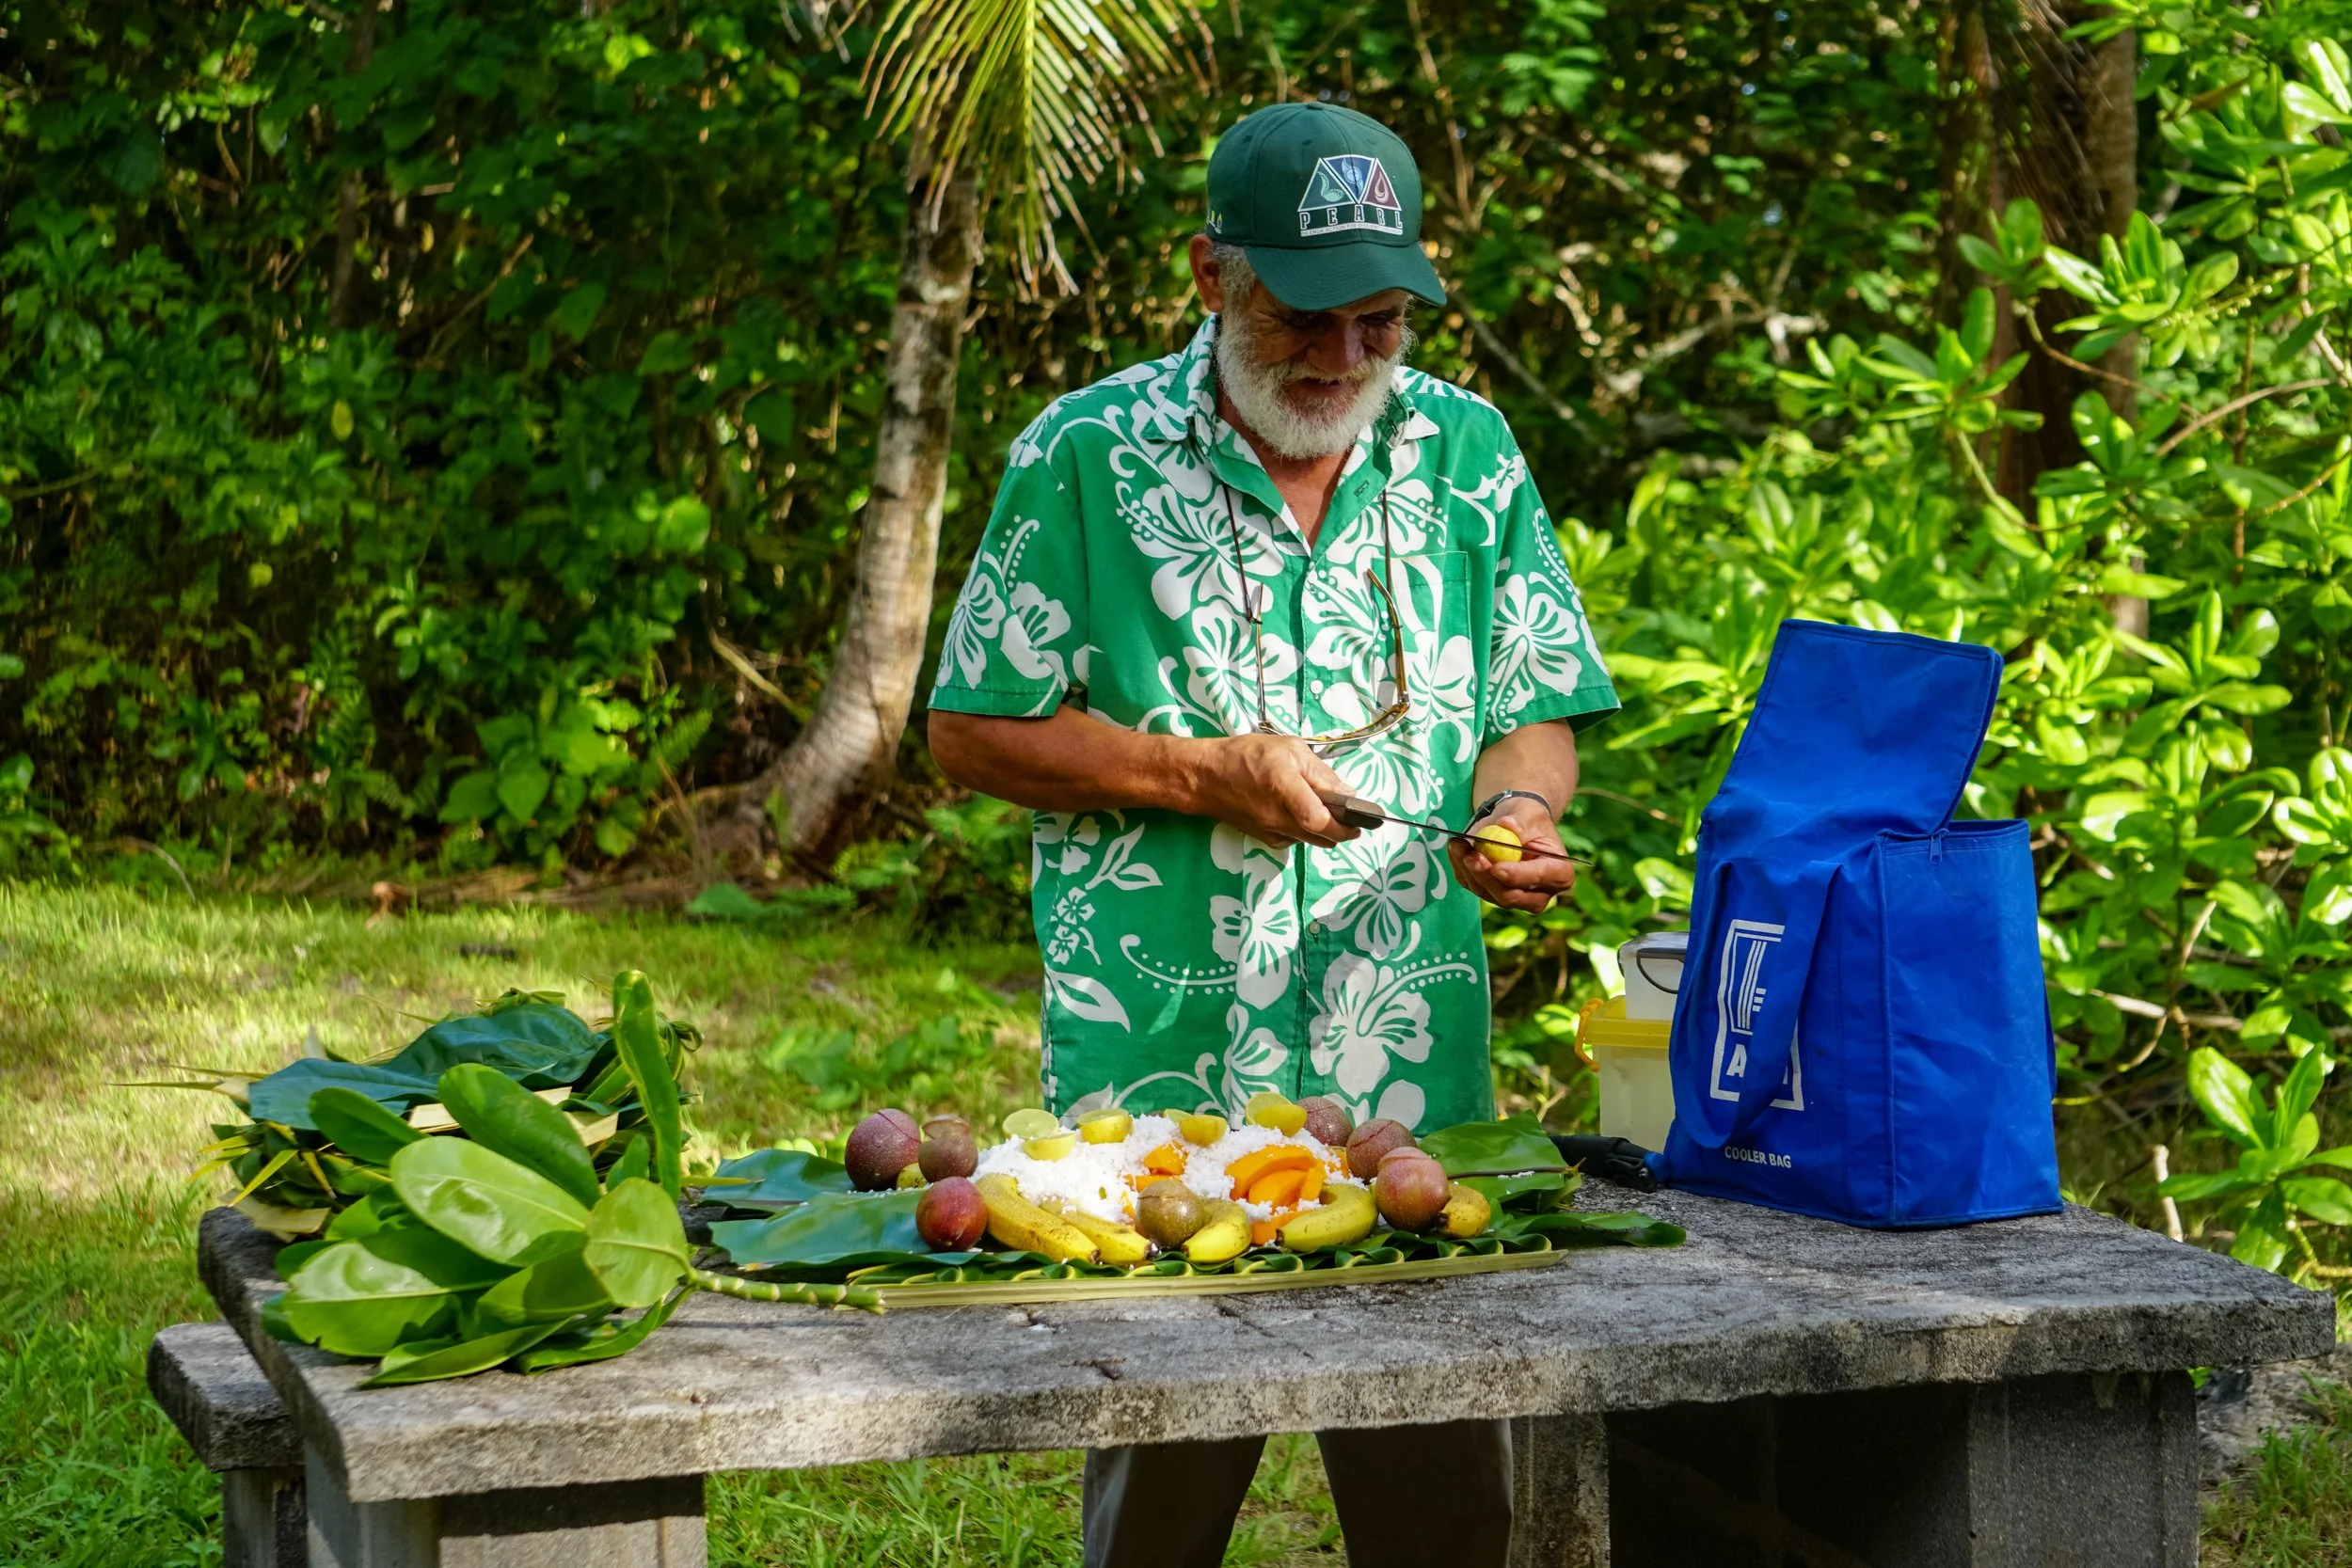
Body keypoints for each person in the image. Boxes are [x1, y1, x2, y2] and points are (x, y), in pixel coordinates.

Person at [926, 101, 1618, 1568]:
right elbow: (971, 728)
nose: (1345, 360)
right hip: (1161, 1075)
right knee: (1164, 1498)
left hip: (1404, 1074)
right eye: (1306, 317)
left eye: (1380, 323)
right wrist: (1197, 777)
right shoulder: (1083, 456)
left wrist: (1519, 808)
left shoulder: (1468, 455)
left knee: (1441, 1507)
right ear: (1209, 276)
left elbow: (1535, 701)